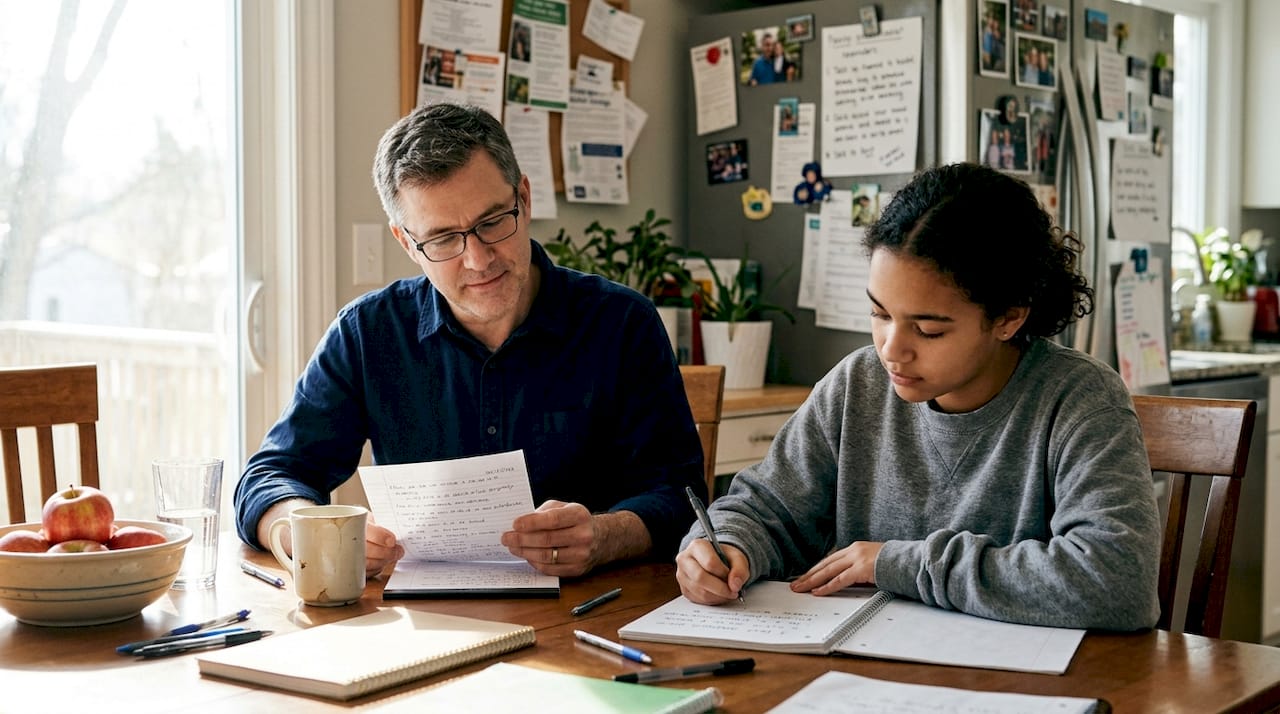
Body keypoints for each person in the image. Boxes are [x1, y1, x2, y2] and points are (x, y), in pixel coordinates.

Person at [674, 162, 1161, 631]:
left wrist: (897, 562)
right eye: (880, 313)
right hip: (858, 676)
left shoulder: (1079, 399)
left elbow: (1117, 582)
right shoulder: (856, 384)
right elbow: (767, 508)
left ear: (1009, 319)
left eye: (928, 330)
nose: (891, 350)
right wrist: (723, 546)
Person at [235, 103, 706, 579]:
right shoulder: (368, 333)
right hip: (421, 629)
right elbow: (270, 477)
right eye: (442, 239)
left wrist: (604, 536)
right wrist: (306, 533)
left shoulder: (622, 323)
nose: (479, 260)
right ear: (405, 242)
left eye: (492, 222)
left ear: (524, 196)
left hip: (590, 615)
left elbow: (681, 495)